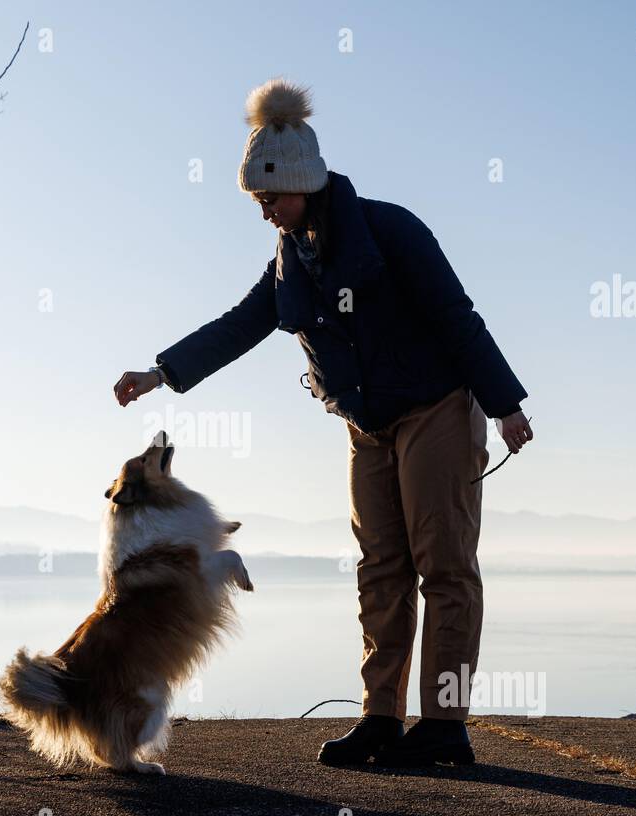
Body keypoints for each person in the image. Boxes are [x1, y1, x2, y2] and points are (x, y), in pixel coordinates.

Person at [112, 77, 534, 767]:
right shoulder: (290, 262)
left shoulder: (393, 230)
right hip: (365, 427)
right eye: (257, 200)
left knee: (446, 569)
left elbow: (458, 319)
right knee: (380, 572)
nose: (264, 210)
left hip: (435, 411)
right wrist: (162, 373)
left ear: (302, 181)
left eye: (269, 196)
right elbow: (241, 325)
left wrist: (505, 404)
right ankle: (381, 719)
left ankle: (444, 728)